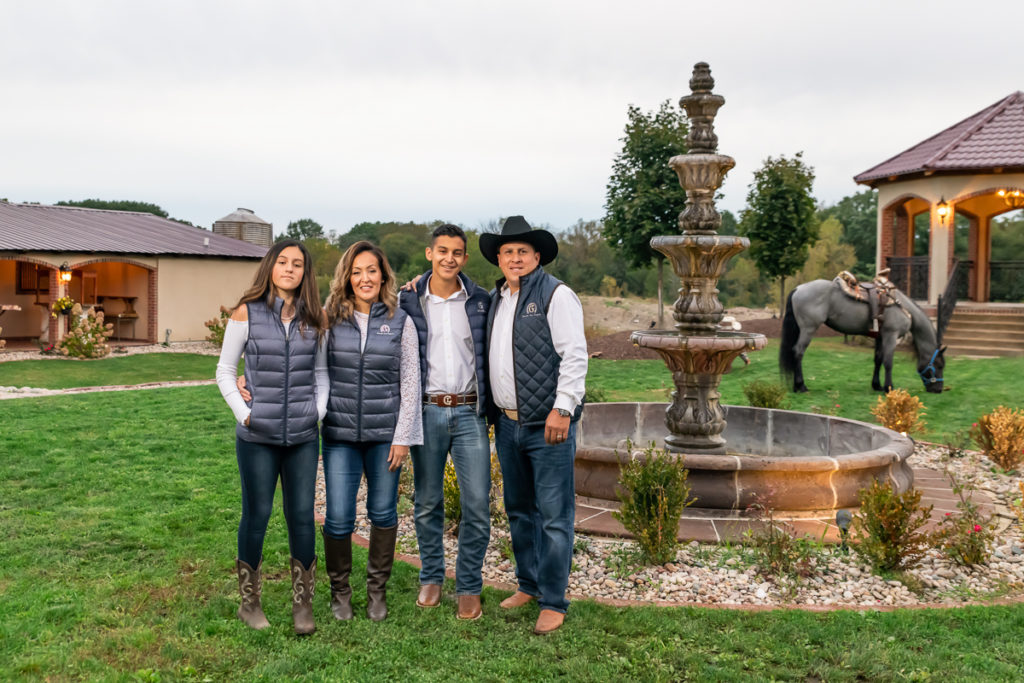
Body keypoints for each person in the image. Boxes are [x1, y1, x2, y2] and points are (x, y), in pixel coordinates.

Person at [480, 216, 587, 635]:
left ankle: (554, 600)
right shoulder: (498, 298)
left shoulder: (557, 295)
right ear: (500, 260)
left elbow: (575, 355)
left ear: (536, 256)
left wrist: (562, 409)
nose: (515, 258)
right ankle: (528, 584)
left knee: (554, 517)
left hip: (548, 425)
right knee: (519, 511)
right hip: (508, 426)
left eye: (522, 251)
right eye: (508, 252)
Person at [216, 239, 326, 635]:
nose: (290, 269)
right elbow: (225, 371)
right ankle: (250, 603)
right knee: (257, 515)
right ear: (271, 266)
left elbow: (321, 375)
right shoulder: (246, 313)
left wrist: (319, 411)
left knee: (301, 517)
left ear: (305, 273)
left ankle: (303, 606)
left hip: (301, 436)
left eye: (297, 264)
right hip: (257, 436)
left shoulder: (316, 318)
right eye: (283, 261)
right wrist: (244, 414)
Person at [320, 240, 422, 622]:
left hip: (384, 437)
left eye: (372, 271)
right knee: (339, 517)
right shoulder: (330, 316)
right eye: (357, 271)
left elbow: (410, 380)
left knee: (382, 513)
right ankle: (340, 592)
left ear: (383, 276)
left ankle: (376, 592)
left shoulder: (400, 320)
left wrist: (402, 436)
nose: (365, 278)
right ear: (347, 276)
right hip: (340, 436)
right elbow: (302, 359)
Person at [398, 224, 491, 620]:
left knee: (476, 503)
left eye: (457, 252)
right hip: (428, 409)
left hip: (470, 412)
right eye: (442, 251)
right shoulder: (407, 301)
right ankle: (432, 577)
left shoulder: (482, 301)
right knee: (427, 501)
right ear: (429, 254)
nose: (449, 258)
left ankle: (468, 585)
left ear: (465, 259)